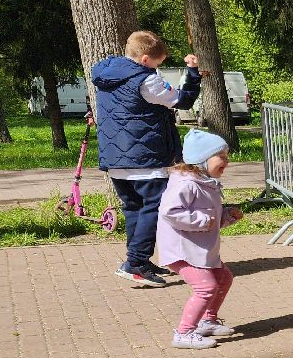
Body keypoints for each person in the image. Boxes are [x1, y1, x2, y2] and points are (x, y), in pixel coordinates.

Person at [92, 30, 216, 286]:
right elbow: (182, 101)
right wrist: (192, 73)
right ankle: (135, 263)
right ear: (146, 59)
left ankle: (138, 259)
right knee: (155, 209)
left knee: (135, 209)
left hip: (117, 160)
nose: (158, 69)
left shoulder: (107, 75)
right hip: (146, 159)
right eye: (158, 64)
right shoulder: (146, 80)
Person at [155, 129, 242, 349]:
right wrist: (203, 220)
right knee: (206, 287)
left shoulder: (206, 182)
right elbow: (170, 212)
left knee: (224, 278)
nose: (227, 162)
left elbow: (211, 216)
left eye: (227, 156)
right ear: (201, 160)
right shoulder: (187, 184)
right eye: (221, 157)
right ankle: (183, 333)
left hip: (201, 249)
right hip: (182, 250)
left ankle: (207, 321)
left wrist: (226, 215)